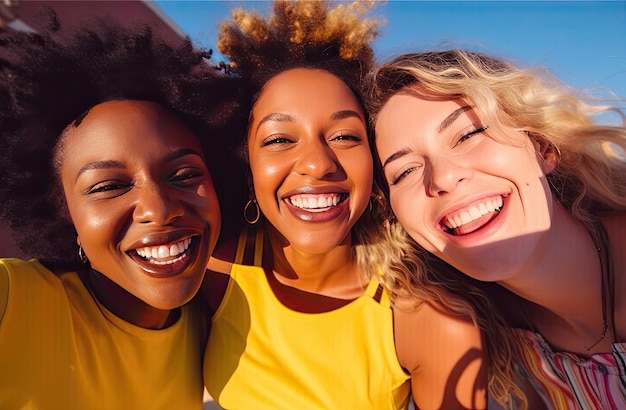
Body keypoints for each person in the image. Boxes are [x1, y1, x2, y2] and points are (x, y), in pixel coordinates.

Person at [203, 2, 524, 409]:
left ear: (375, 168)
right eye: (280, 139)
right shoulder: (210, 274)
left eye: (344, 137)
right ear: (247, 170)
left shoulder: (428, 322)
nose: (318, 163)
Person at [0, 16, 243, 408]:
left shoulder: (213, 321)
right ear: (67, 218)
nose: (159, 210)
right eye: (109, 186)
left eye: (183, 174)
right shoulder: (13, 300)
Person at [367, 49, 626, 409]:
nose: (442, 178)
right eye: (405, 172)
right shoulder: (497, 337)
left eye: (468, 134)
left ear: (542, 146)